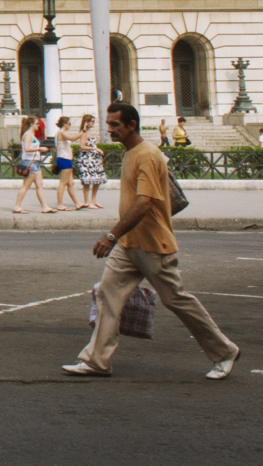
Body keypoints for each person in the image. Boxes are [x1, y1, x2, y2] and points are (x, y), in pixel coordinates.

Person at [64, 102, 240, 379]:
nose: (109, 129)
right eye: (108, 124)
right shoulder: (131, 153)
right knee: (107, 296)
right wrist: (120, 239)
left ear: (132, 125)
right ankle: (97, 360)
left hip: (153, 244)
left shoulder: (147, 155)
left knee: (176, 299)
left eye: (115, 125)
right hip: (129, 244)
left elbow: (144, 203)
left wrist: (111, 236)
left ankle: (225, 351)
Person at [13, 114, 48, 213]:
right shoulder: (28, 134)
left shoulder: (31, 135)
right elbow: (27, 148)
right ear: (32, 124)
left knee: (39, 184)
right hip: (29, 162)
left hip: (34, 162)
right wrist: (39, 148)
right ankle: (17, 206)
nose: (38, 126)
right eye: (37, 123)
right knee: (26, 185)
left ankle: (45, 207)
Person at [74, 114, 106, 209]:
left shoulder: (89, 132)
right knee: (87, 181)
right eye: (92, 121)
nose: (93, 123)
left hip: (93, 159)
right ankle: (87, 201)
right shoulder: (83, 132)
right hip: (86, 159)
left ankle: (94, 199)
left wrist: (95, 140)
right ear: (87, 122)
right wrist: (95, 149)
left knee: (97, 179)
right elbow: (82, 146)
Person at [51, 114, 79, 211]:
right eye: (69, 123)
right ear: (65, 124)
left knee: (70, 183)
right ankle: (60, 204)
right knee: (63, 183)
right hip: (64, 158)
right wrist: (83, 132)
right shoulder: (62, 132)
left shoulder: (59, 133)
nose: (70, 125)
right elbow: (73, 138)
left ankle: (77, 203)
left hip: (65, 158)